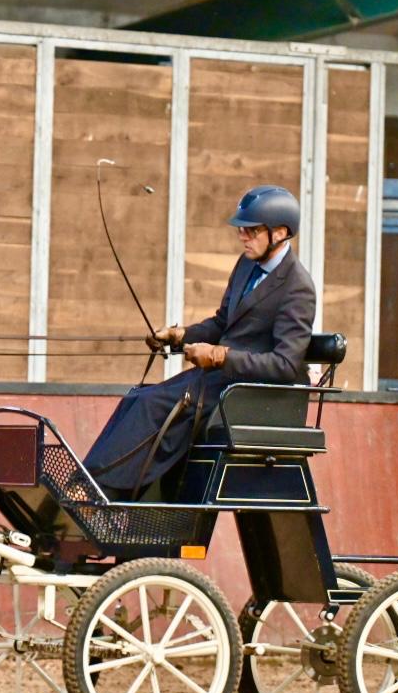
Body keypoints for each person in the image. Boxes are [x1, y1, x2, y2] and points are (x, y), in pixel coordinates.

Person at [80, 185, 317, 500]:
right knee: (137, 397)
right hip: (216, 381)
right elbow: (221, 323)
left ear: (280, 233)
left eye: (251, 230)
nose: (243, 236)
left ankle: (98, 493)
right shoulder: (246, 265)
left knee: (154, 405)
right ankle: (89, 481)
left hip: (246, 394)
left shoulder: (298, 288)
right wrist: (180, 335)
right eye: (241, 230)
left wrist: (220, 356)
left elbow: (285, 365)